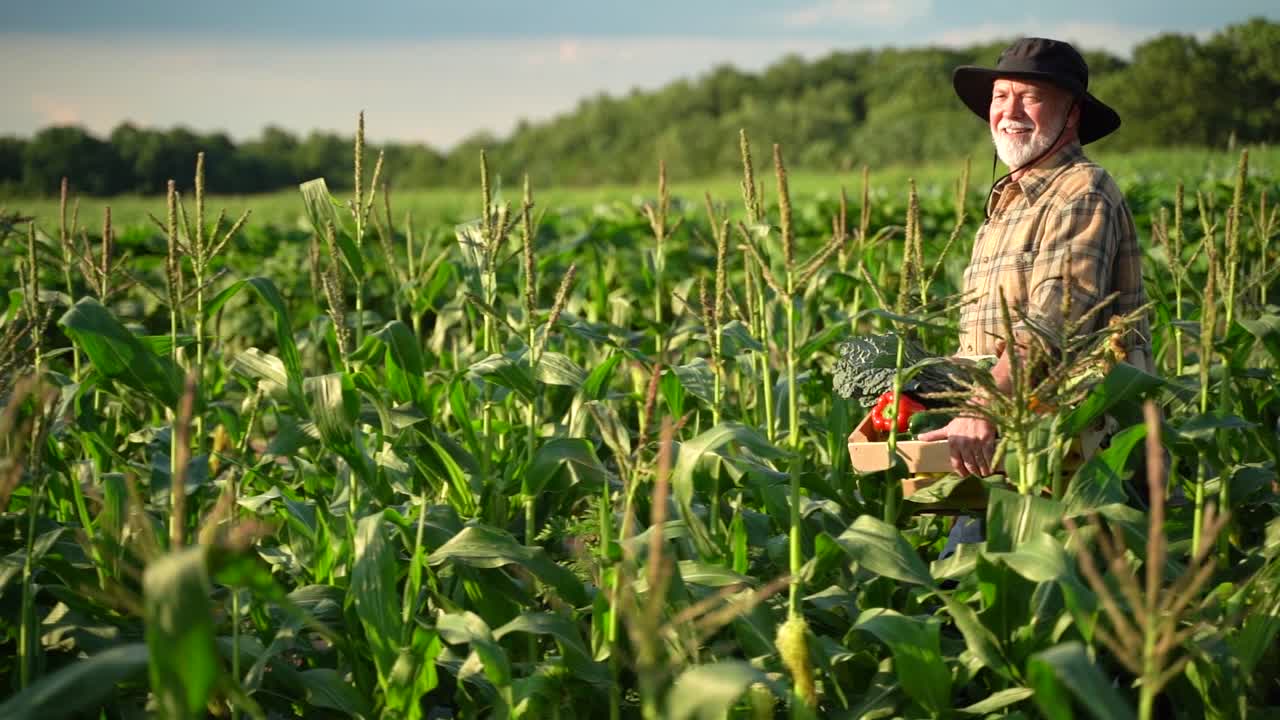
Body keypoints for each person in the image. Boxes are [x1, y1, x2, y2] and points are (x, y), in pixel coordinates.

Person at [919, 38, 1153, 553]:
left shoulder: (1081, 191)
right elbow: (985, 342)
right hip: (1014, 449)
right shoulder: (1006, 206)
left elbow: (1056, 322)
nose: (1009, 112)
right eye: (1001, 96)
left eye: (1031, 97)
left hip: (1077, 458)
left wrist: (983, 406)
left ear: (1072, 113)